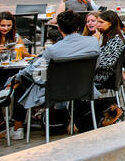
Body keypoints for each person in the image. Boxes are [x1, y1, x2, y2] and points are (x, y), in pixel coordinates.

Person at [9, 10, 102, 138]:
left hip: (58, 91)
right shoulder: (93, 43)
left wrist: (18, 76)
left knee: (23, 81)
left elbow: (38, 74)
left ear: (59, 28)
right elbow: (95, 65)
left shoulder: (53, 50)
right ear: (79, 27)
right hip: (84, 88)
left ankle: (17, 129)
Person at [91, 11, 125, 125]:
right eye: (97, 22)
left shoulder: (116, 40)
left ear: (111, 23)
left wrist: (94, 42)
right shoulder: (108, 37)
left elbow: (105, 62)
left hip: (106, 76)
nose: (97, 25)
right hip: (106, 73)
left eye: (101, 22)